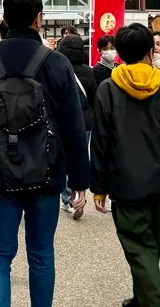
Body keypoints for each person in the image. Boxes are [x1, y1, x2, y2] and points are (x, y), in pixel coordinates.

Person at [0, 0, 89, 307]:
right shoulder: (57, 63)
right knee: (42, 254)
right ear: (38, 20)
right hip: (48, 173)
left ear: (4, 19)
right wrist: (81, 180)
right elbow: (74, 125)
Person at [90, 24, 160, 307]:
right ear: (150, 51)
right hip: (159, 180)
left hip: (123, 182)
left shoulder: (108, 89)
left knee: (139, 250)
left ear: (119, 53)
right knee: (150, 248)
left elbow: (100, 141)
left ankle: (154, 302)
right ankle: (141, 299)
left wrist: (98, 187)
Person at [56, 34, 96, 218]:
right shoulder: (88, 71)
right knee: (81, 155)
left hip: (62, 120)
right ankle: (78, 193)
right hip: (85, 120)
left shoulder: (58, 67)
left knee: (63, 158)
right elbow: (94, 97)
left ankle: (67, 198)